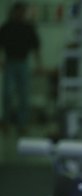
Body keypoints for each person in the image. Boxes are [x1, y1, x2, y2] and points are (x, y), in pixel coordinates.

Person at [0, 1, 42, 133]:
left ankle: (22, 124)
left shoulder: (28, 28)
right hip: (10, 63)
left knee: (24, 95)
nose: (20, 14)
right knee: (7, 94)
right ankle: (6, 122)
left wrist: (39, 65)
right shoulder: (6, 27)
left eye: (22, 12)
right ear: (14, 12)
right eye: (18, 11)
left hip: (23, 63)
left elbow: (36, 47)